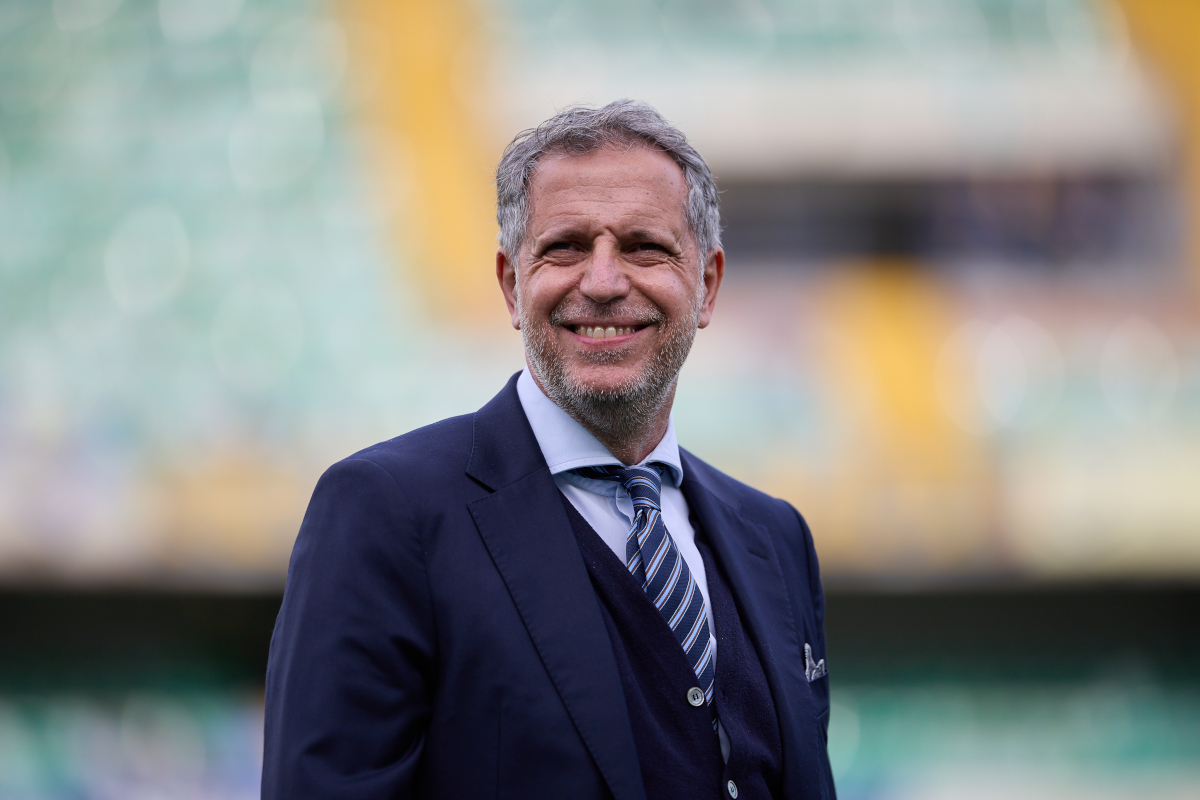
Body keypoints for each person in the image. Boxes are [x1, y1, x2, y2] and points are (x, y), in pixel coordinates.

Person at [262, 100, 835, 800]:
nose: (601, 282)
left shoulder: (774, 538)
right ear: (511, 284)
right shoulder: (387, 513)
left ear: (707, 285)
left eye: (643, 247)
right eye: (565, 247)